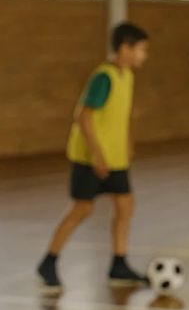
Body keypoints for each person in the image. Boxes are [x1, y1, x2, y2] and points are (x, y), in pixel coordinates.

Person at [37, 22, 151, 293]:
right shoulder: (104, 77)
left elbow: (120, 116)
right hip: (90, 158)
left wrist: (127, 143)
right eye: (142, 50)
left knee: (125, 206)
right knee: (82, 209)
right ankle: (49, 262)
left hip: (116, 158)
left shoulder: (127, 76)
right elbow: (83, 116)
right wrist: (97, 155)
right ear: (125, 48)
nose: (145, 56)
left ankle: (119, 264)